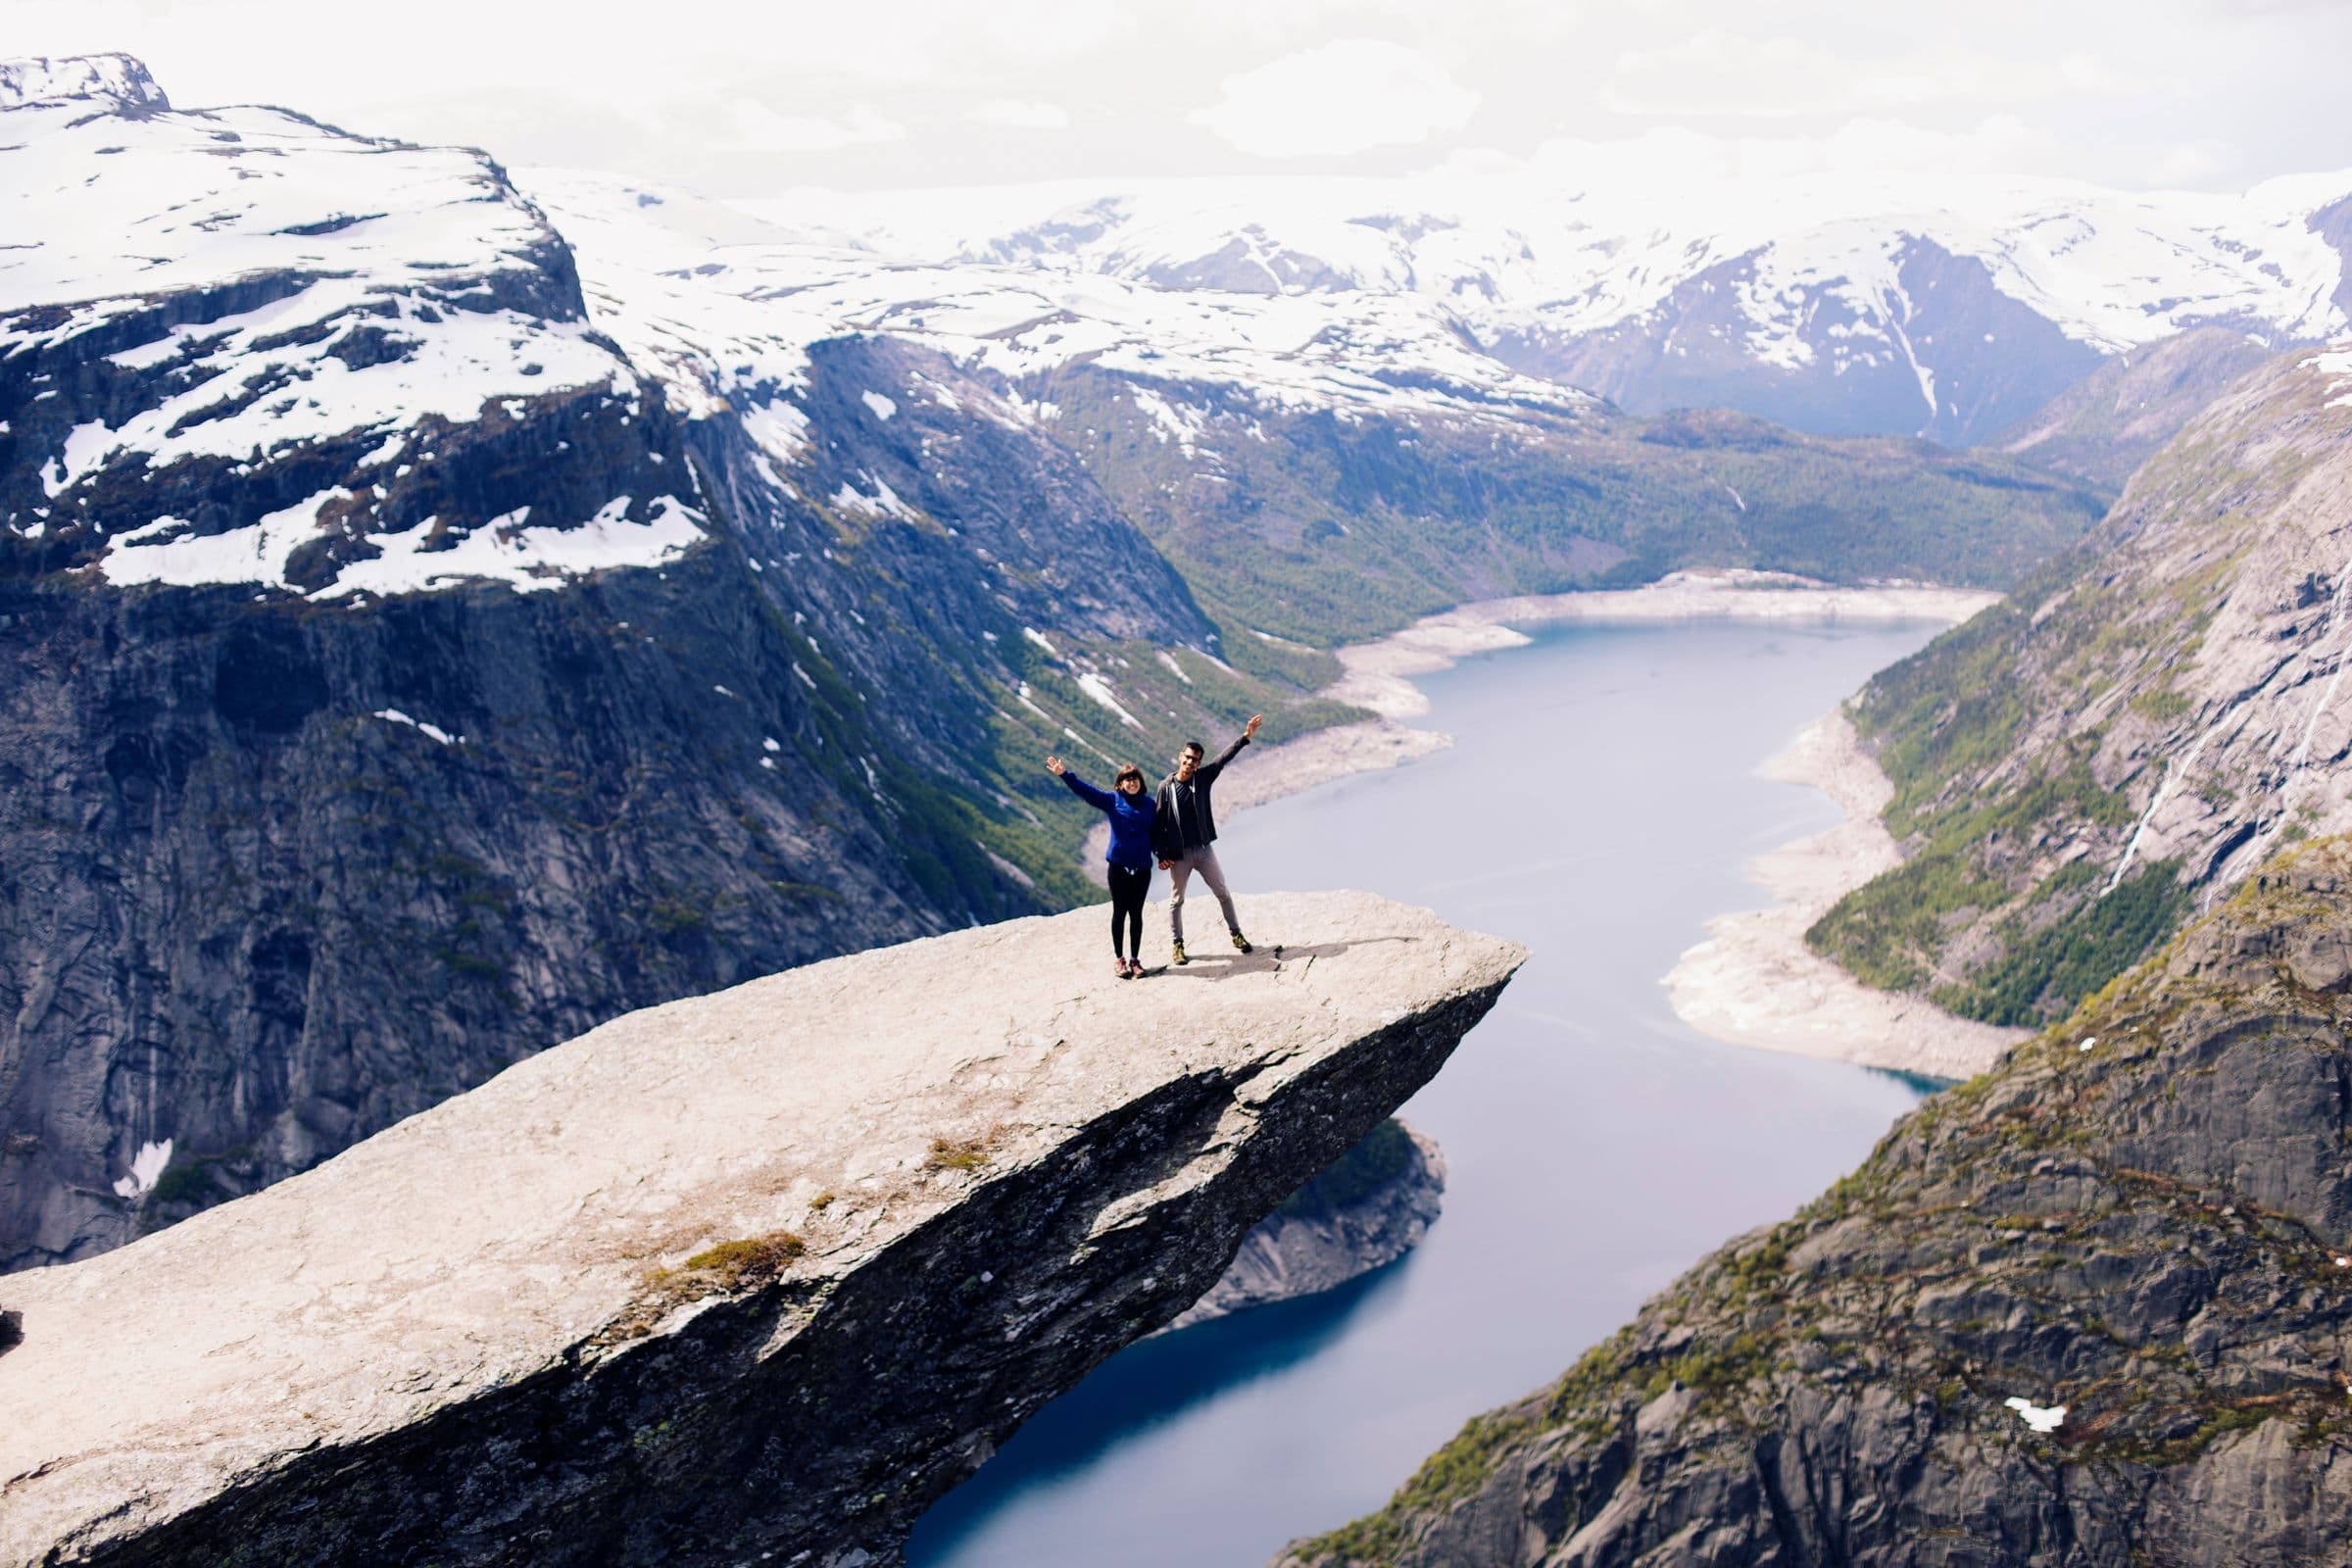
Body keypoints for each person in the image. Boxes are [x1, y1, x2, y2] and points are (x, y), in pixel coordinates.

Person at [1151, 714, 1261, 965]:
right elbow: (1157, 824)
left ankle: (1236, 934)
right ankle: (1177, 945)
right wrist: (1161, 854)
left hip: (1203, 850)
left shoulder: (1202, 779)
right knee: (1176, 900)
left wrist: (1245, 737)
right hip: (1178, 855)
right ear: (1181, 756)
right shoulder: (1165, 788)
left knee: (1222, 892)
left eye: (1195, 760)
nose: (1190, 763)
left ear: (1199, 764)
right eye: (1187, 758)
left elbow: (1223, 758)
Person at [1048, 754, 1158, 979]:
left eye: (1135, 778)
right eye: (1127, 779)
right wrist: (1065, 775)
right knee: (1120, 912)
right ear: (1120, 784)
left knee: (1136, 914)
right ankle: (1120, 960)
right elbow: (1087, 792)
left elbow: (1156, 834)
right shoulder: (1112, 800)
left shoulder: (1150, 805)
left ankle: (1135, 960)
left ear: (1141, 782)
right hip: (1118, 867)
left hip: (1142, 868)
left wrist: (1163, 854)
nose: (1132, 782)